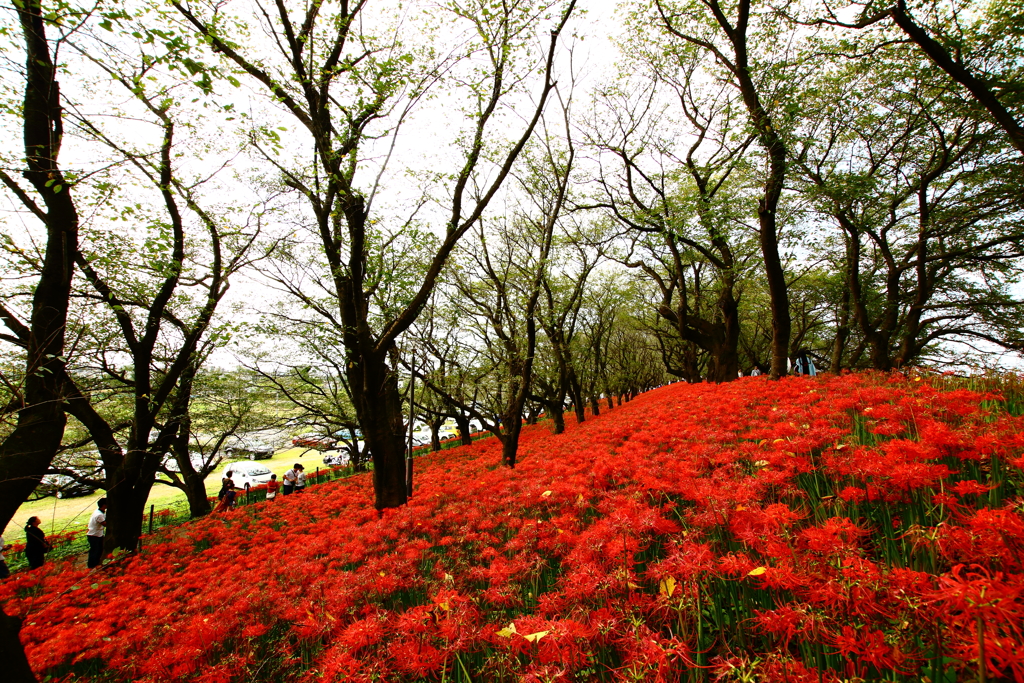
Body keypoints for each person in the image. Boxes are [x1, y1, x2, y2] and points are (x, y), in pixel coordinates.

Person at [87, 498, 107, 569]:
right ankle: (92, 565)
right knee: (95, 550)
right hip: (94, 535)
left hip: (97, 534)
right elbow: (105, 524)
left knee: (98, 549)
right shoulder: (99, 515)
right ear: (104, 505)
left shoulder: (99, 512)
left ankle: (95, 564)